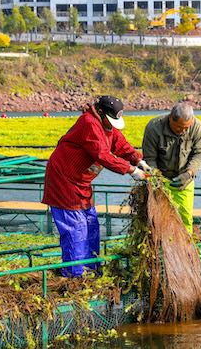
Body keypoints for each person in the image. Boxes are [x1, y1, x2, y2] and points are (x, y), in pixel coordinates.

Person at [42, 96, 147, 277]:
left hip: (82, 181)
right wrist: (130, 170)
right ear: (100, 112)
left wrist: (137, 159)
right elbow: (102, 155)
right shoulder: (89, 123)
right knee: (76, 227)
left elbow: (119, 143)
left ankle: (91, 268)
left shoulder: (107, 125)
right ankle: (74, 274)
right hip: (64, 180)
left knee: (91, 224)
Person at [141, 102, 201, 234]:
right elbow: (150, 159)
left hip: (185, 179)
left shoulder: (197, 127)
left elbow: (200, 154)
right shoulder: (154, 128)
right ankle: (159, 248)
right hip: (160, 180)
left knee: (185, 218)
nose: (183, 131)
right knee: (158, 220)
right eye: (179, 128)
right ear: (170, 118)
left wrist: (189, 173)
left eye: (186, 128)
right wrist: (157, 181)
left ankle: (186, 247)